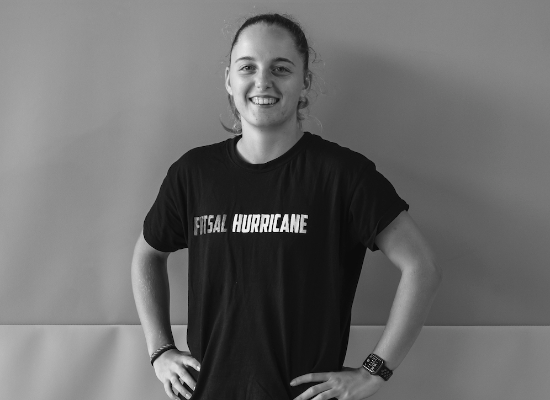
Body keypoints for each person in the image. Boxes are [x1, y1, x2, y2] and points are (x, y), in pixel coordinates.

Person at [131, 13, 442, 400]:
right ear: (229, 79)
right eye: (248, 67)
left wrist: (374, 372)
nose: (263, 81)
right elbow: (147, 255)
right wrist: (160, 350)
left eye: (281, 68)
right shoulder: (193, 173)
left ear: (304, 81)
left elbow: (422, 267)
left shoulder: (343, 175)